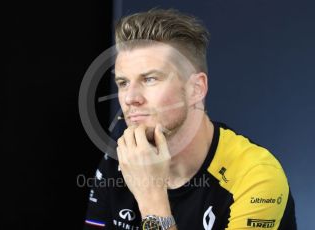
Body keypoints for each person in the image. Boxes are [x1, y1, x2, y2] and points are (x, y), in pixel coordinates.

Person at [84, 9, 296, 230]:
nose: (130, 98)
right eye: (123, 83)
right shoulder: (122, 153)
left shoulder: (256, 175)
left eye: (149, 79)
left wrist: (150, 195)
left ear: (196, 89)